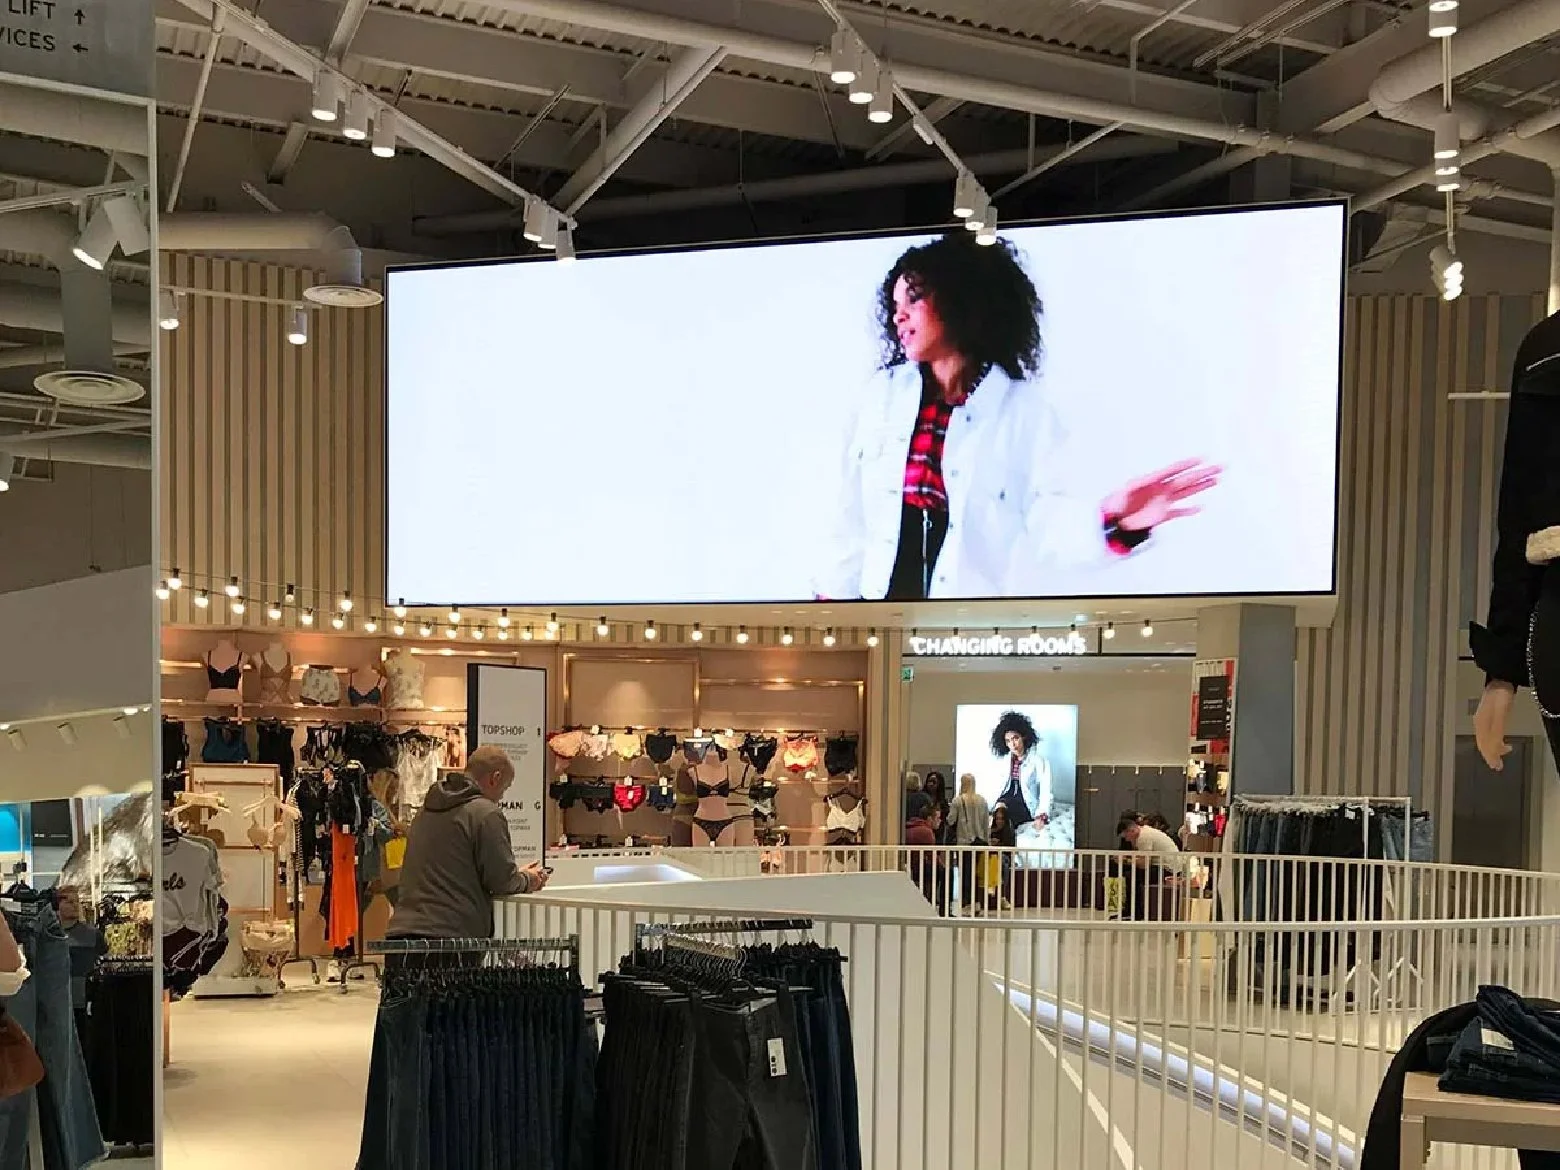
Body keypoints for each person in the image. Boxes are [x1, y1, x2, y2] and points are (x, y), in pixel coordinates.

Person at [817, 229, 1219, 600]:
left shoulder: (1025, 413)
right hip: (875, 616)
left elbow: (1049, 524)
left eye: (914, 298)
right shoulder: (880, 398)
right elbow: (849, 514)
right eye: (895, 304)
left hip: (962, 635)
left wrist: (1115, 522)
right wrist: (828, 609)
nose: (898, 316)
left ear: (962, 299)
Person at [387, 745, 551, 952]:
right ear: (495, 777)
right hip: (452, 938)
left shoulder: (425, 811)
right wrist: (530, 879)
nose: (501, 797)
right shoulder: (485, 813)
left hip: (403, 932)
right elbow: (502, 881)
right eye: (505, 788)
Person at [990, 711, 1053, 834]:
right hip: (1007, 797)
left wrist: (1041, 816)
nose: (1013, 745)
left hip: (1025, 801)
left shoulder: (1039, 761)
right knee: (999, 812)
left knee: (1007, 817)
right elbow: (998, 786)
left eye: (1015, 738)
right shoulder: (1004, 760)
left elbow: (1046, 791)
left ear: (1024, 736)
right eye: (1008, 741)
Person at [56, 886, 105, 1035]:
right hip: (56, 1003)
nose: (75, 905)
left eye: (77, 901)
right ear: (58, 905)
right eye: (69, 901)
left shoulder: (93, 934)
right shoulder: (50, 935)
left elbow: (103, 962)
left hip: (84, 1004)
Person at [947, 773, 991, 912]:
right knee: (978, 873)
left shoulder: (957, 801)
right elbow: (986, 824)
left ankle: (967, 902)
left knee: (965, 873)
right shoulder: (982, 801)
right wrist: (987, 841)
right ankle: (977, 901)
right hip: (980, 843)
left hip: (963, 843)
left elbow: (951, 820)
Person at [989, 804, 1017, 910]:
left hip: (1004, 857)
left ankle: (1002, 896)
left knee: (1003, 863)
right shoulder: (991, 831)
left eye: (1001, 819)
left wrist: (998, 844)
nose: (999, 821)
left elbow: (1009, 848)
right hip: (991, 857)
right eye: (997, 819)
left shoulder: (1009, 831)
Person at [924, 771, 952, 843]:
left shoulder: (943, 802)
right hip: (924, 833)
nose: (930, 784)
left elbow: (946, 819)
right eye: (929, 781)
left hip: (938, 835)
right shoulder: (922, 798)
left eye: (933, 782)